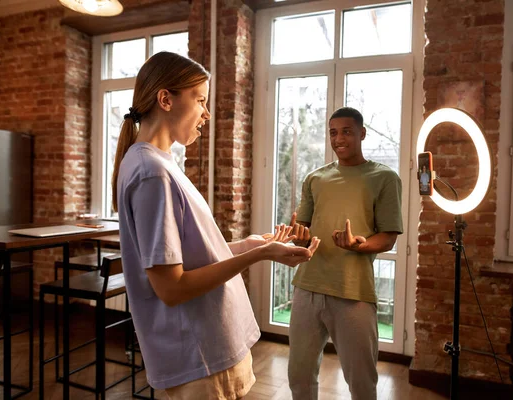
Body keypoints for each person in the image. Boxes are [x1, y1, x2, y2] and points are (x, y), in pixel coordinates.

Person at [112, 51, 320, 400]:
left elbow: (189, 257)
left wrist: (248, 245)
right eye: (200, 100)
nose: (206, 114)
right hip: (198, 355)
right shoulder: (152, 172)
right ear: (165, 99)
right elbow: (172, 288)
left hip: (206, 349)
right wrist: (261, 255)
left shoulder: (157, 164)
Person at [287, 107, 403, 400]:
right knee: (299, 377)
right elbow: (302, 232)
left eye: (346, 132)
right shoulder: (315, 178)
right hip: (307, 288)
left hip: (354, 292)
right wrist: (297, 237)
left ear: (362, 134)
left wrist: (359, 245)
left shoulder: (385, 178)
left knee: (362, 382)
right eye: (333, 132)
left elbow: (389, 237)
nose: (339, 139)